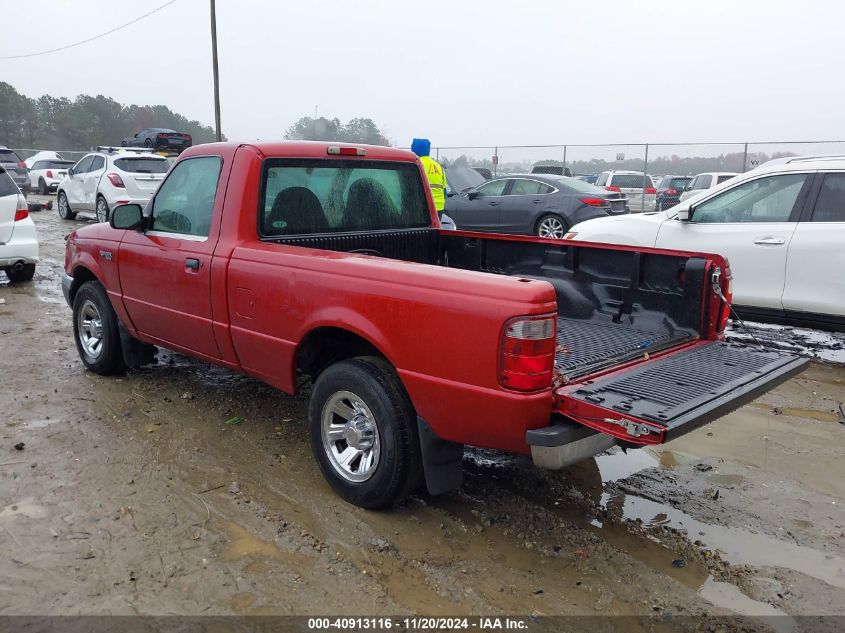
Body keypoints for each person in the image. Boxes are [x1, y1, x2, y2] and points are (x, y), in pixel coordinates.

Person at [411, 138, 447, 215]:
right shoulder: (438, 167)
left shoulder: (415, 164)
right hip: (438, 207)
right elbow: (444, 191)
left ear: (414, 149)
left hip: (421, 205)